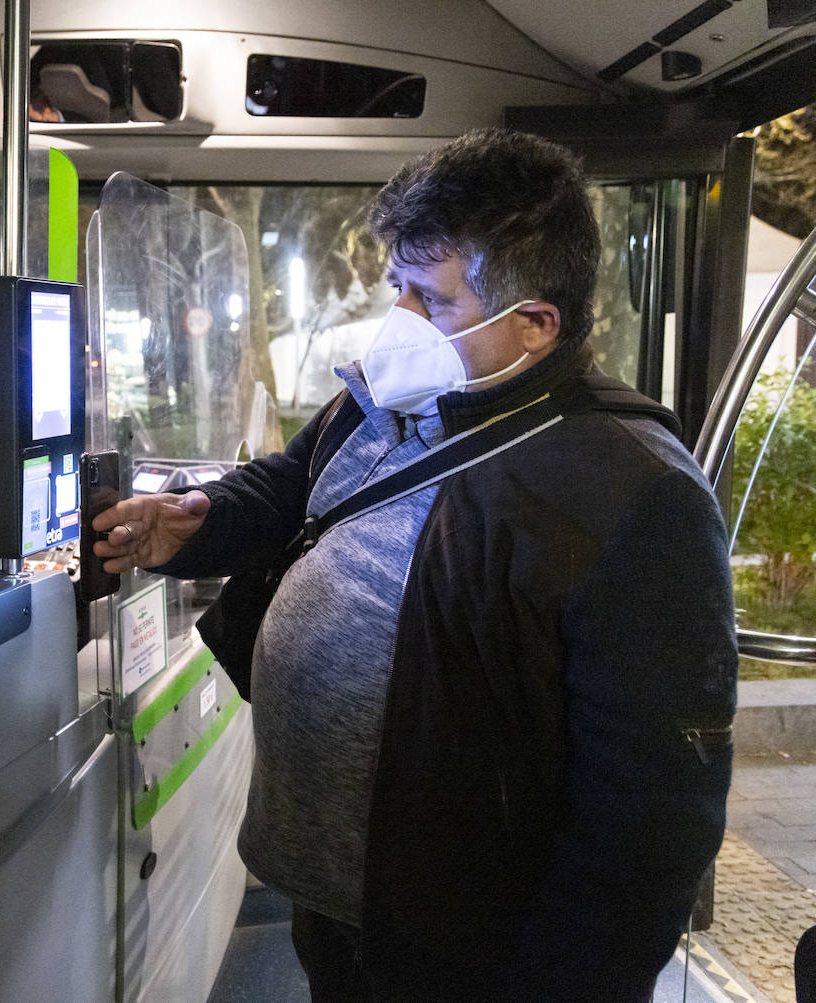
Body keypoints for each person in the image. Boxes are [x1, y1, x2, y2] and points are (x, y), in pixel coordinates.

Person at [92, 127, 737, 1002]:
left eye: (430, 299)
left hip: (469, 940)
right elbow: (294, 486)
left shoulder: (634, 493)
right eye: (398, 283)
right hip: (340, 902)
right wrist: (196, 528)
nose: (400, 318)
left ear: (536, 325)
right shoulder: (395, 400)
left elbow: (653, 813)